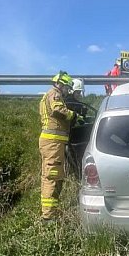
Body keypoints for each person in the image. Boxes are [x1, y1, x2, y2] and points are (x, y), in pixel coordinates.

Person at [38, 71, 81, 222]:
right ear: (60, 84)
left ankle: (50, 213)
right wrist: (74, 115)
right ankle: (48, 216)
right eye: (67, 88)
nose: (67, 91)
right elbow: (58, 110)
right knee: (52, 177)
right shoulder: (54, 94)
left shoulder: (48, 95)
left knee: (52, 176)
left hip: (52, 142)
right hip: (53, 142)